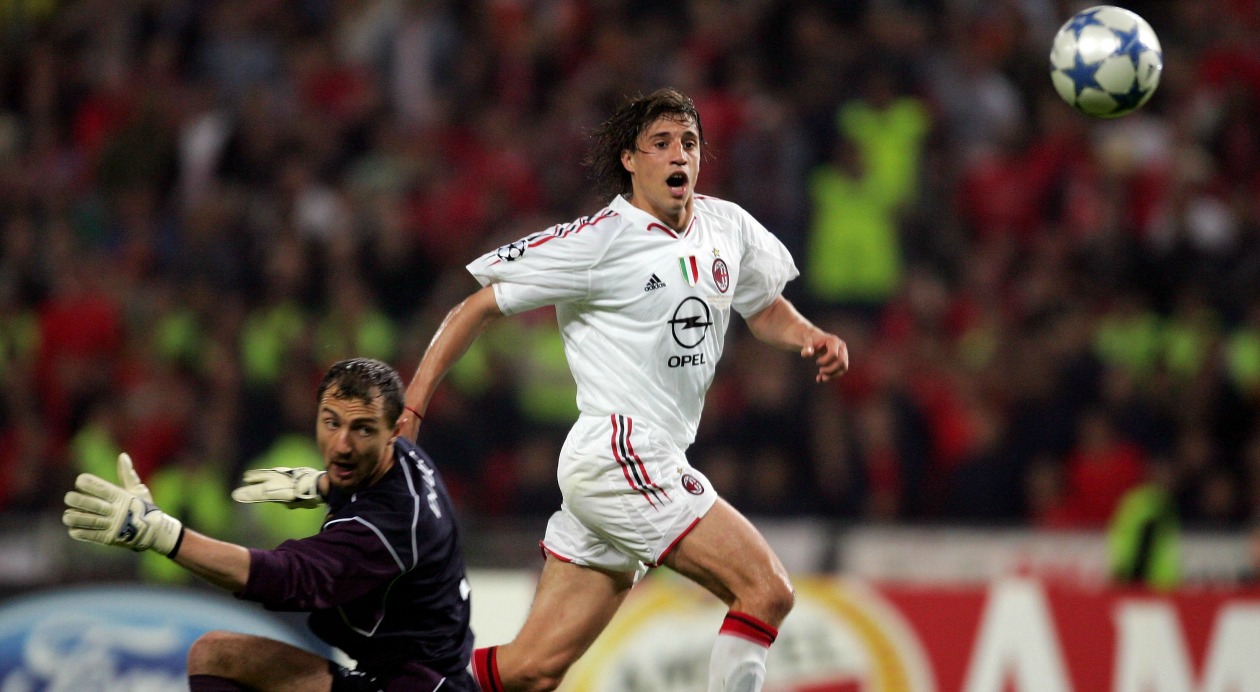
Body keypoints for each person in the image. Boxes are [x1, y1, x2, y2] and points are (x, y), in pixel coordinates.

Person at [402, 87, 847, 692]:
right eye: (660, 144)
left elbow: (763, 306)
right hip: (621, 451)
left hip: (641, 462)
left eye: (688, 143)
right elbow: (477, 306)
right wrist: (414, 403)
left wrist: (810, 336)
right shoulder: (600, 239)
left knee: (531, 670)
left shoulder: (728, 227)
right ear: (630, 160)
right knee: (765, 590)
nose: (677, 156)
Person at [61, 357, 476, 692]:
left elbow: (287, 577)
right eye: (331, 422)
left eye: (362, 429)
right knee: (216, 655)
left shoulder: (385, 526)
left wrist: (161, 534)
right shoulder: (406, 460)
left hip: (418, 686)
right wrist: (319, 485)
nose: (341, 444)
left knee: (219, 654)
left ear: (393, 432)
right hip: (393, 676)